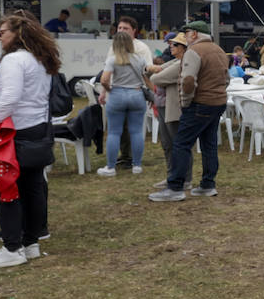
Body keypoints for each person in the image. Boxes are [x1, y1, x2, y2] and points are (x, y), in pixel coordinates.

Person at [0, 14, 59, 269]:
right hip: (35, 130)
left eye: (2, 32)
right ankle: (30, 243)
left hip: (13, 132)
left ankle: (12, 247)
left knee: (4, 188)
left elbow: (10, 97)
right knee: (33, 187)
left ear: (17, 33)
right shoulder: (39, 59)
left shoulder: (14, 60)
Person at [149, 20, 229, 202]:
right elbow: (226, 79)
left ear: (194, 34)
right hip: (218, 102)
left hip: (199, 104)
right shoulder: (219, 51)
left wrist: (185, 103)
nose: (184, 37)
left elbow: (188, 81)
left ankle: (175, 187)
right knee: (209, 144)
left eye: (186, 33)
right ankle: (208, 184)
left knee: (181, 144)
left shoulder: (194, 52)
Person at [95, 32, 149, 176]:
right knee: (136, 131)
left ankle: (111, 168)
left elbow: (104, 80)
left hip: (117, 94)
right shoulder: (140, 59)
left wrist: (109, 90)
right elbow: (147, 78)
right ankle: (137, 165)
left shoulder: (112, 60)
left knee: (114, 132)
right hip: (137, 94)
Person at [147, 34, 187, 188]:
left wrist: (155, 72)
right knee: (167, 143)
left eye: (175, 45)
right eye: (171, 44)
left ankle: (182, 178)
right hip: (163, 105)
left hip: (174, 108)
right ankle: (172, 175)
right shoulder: (175, 61)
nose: (171, 46)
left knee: (177, 144)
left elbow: (156, 78)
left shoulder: (181, 63)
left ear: (183, 48)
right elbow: (154, 73)